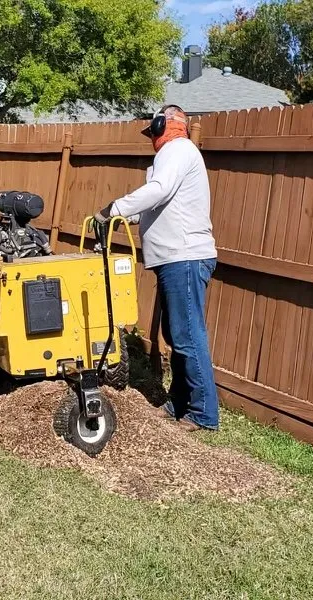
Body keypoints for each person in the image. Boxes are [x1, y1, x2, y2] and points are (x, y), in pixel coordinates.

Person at [94, 105, 219, 432]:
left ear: (165, 125)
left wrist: (114, 209)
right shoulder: (175, 157)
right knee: (176, 334)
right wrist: (126, 218)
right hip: (175, 258)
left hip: (185, 257)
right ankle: (178, 402)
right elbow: (160, 203)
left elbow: (158, 191)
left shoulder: (177, 150)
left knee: (188, 334)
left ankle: (203, 414)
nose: (152, 139)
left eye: (153, 132)